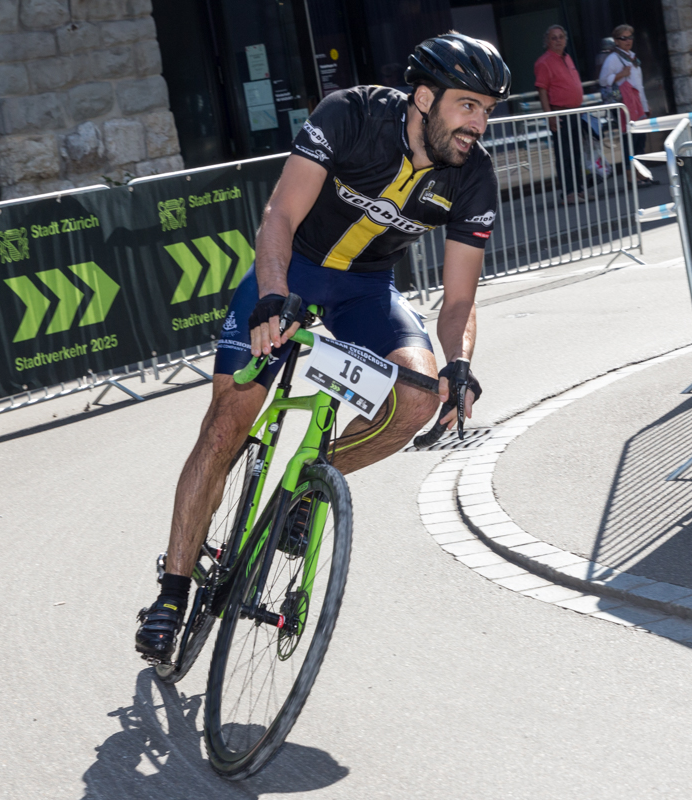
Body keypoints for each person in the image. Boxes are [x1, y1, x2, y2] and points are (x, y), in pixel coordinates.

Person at [135, 32, 511, 661]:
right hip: (291, 273)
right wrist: (272, 296)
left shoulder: (473, 175)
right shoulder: (352, 114)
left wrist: (461, 363)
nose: (479, 123)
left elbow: (458, 300)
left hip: (366, 290)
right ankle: (172, 593)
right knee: (226, 426)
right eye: (467, 106)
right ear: (425, 97)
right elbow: (279, 216)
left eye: (488, 110)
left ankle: (304, 488)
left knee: (419, 398)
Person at [534, 25, 588, 205]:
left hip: (575, 112)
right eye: (554, 38)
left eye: (561, 37)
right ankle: (568, 192)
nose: (558, 40)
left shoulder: (567, 57)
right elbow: (542, 90)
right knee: (564, 155)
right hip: (560, 113)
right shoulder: (544, 62)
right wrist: (550, 116)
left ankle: (578, 189)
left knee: (576, 153)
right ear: (547, 41)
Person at [598, 24, 653, 187]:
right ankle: (630, 175)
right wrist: (620, 74)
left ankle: (640, 172)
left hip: (637, 103)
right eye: (623, 38)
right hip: (623, 104)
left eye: (630, 37)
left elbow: (639, 85)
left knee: (640, 138)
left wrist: (645, 105)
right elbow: (603, 80)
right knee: (630, 139)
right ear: (616, 41)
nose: (628, 41)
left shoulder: (632, 57)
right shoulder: (613, 59)